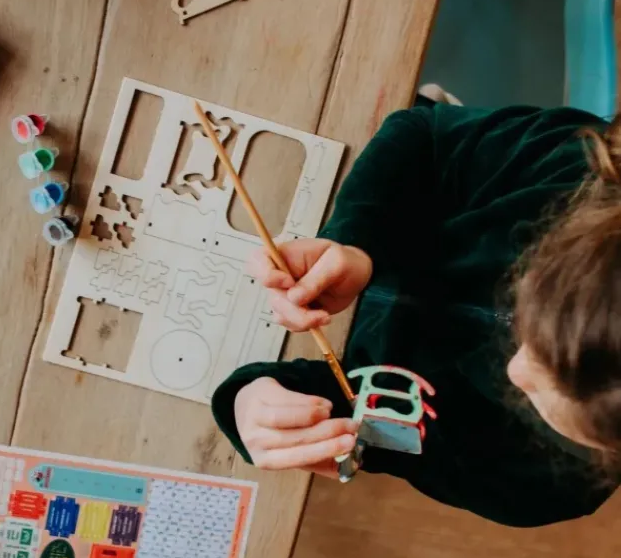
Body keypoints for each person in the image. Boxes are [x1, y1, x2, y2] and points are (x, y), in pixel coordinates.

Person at [211, 100, 621, 527]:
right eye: (528, 311)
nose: (516, 373)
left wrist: (250, 405)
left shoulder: (536, 483)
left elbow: (358, 426)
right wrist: (355, 243)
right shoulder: (583, 176)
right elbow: (424, 132)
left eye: (545, 401)